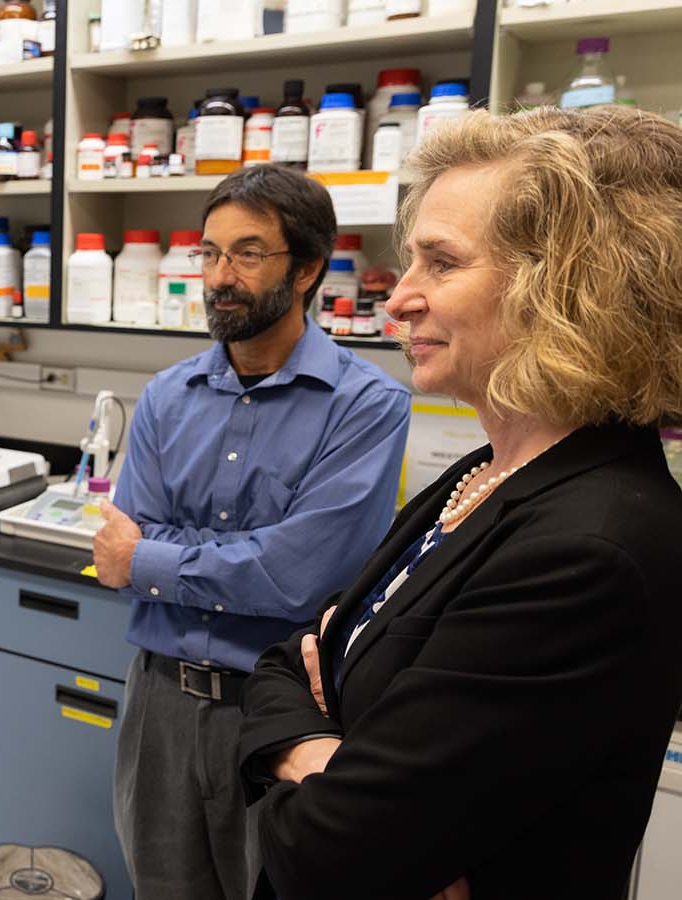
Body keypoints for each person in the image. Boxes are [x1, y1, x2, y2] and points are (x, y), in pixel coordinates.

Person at [237, 105, 682, 900]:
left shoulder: (592, 547)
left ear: (572, 289)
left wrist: (315, 756)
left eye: (440, 263)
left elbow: (330, 852)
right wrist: (321, 757)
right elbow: (287, 659)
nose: (399, 299)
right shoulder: (486, 475)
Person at [91, 164, 412, 900]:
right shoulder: (170, 394)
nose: (219, 276)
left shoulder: (368, 406)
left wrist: (154, 558)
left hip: (279, 715)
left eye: (247, 252)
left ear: (306, 270)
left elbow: (299, 575)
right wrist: (189, 554)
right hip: (160, 707)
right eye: (208, 253)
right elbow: (124, 545)